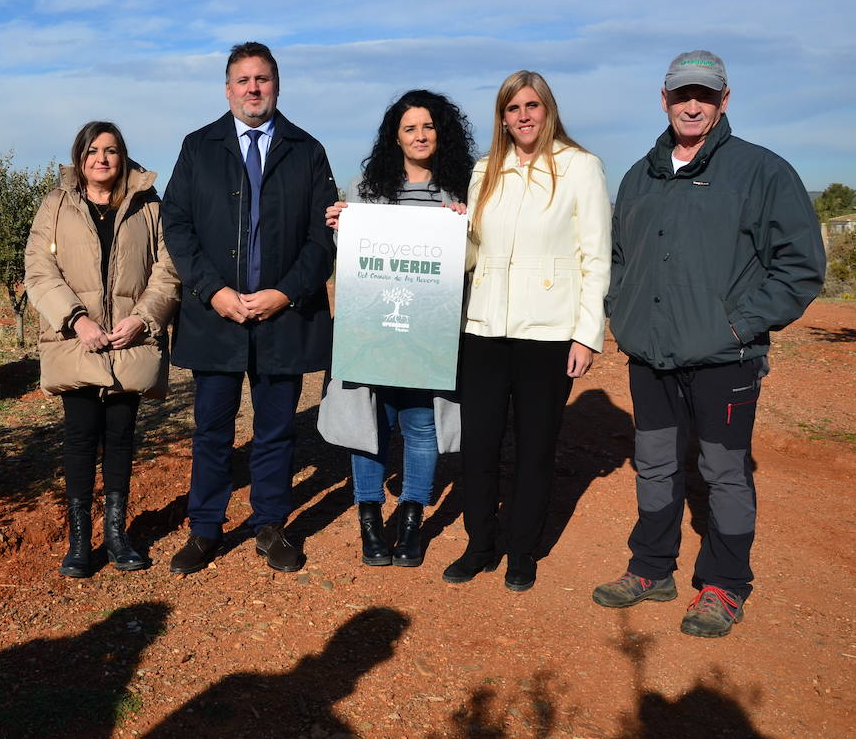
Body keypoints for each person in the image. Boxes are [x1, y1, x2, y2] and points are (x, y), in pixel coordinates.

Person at [592, 51, 824, 637]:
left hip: (725, 358)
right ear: (663, 99)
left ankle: (724, 584)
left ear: (724, 99)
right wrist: (622, 313)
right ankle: (651, 568)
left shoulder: (762, 171)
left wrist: (739, 326)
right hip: (651, 354)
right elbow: (620, 258)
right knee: (655, 463)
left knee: (723, 470)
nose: (691, 105)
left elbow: (799, 266)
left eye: (704, 94)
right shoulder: (639, 175)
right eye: (680, 95)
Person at [160, 42, 337, 574]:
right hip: (217, 317)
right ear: (228, 88)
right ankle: (205, 529)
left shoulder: (307, 150)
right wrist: (213, 291)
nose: (253, 88)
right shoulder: (198, 147)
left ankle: (271, 526)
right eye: (242, 80)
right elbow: (177, 225)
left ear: (276, 86)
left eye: (262, 79)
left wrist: (286, 293)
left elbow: (323, 237)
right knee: (212, 430)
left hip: (284, 318)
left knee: (277, 429)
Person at [444, 70, 611, 592]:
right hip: (484, 330)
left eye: (532, 106)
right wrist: (456, 230)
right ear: (502, 117)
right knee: (479, 447)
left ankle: (522, 551)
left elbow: (595, 258)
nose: (523, 116)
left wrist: (586, 334)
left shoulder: (581, 168)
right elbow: (473, 256)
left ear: (548, 110)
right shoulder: (484, 171)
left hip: (548, 333)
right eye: (512, 108)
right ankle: (480, 544)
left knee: (536, 448)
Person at [321, 90, 477, 567]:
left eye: (428, 126)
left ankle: (411, 517)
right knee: (369, 422)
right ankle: (370, 519)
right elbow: (348, 259)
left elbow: (474, 260)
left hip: (431, 330)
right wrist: (338, 227)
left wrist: (467, 229)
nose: (420, 136)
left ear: (442, 131)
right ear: (396, 136)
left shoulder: (464, 190)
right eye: (410, 128)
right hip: (373, 327)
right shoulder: (366, 188)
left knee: (422, 423)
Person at [24, 121, 180, 578]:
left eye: (111, 151)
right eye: (93, 150)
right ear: (80, 156)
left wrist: (143, 319)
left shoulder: (149, 205)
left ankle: (116, 534)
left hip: (129, 341)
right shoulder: (55, 205)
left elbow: (167, 269)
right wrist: (77, 319)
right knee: (79, 439)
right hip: (76, 341)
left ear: (123, 156)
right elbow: (39, 269)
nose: (102, 159)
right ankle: (79, 541)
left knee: (120, 438)